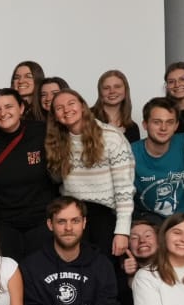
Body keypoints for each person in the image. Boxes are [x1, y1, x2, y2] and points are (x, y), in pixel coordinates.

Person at [21, 197, 120, 305]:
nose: (68, 228)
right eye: (61, 222)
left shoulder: (101, 264)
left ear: (84, 223)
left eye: (75, 221)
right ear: (50, 225)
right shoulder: (32, 266)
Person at [45, 89, 134, 258]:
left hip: (105, 216)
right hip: (72, 215)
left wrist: (122, 231)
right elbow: (56, 180)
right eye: (59, 108)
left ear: (83, 107)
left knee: (103, 272)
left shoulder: (111, 137)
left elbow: (124, 189)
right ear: (55, 116)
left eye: (71, 103)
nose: (66, 110)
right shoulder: (55, 141)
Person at [0, 88, 54, 259]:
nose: (3, 113)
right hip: (0, 221)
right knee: (6, 274)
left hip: (39, 219)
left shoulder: (41, 132)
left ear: (21, 108)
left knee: (38, 272)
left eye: (9, 107)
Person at [132, 97, 184, 220]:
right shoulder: (131, 153)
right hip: (148, 220)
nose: (163, 128)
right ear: (145, 124)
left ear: (176, 125)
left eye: (169, 122)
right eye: (157, 122)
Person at [92, 70, 141, 143]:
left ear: (126, 90)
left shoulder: (133, 128)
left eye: (117, 87)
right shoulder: (87, 118)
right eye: (106, 88)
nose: (112, 91)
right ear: (100, 92)